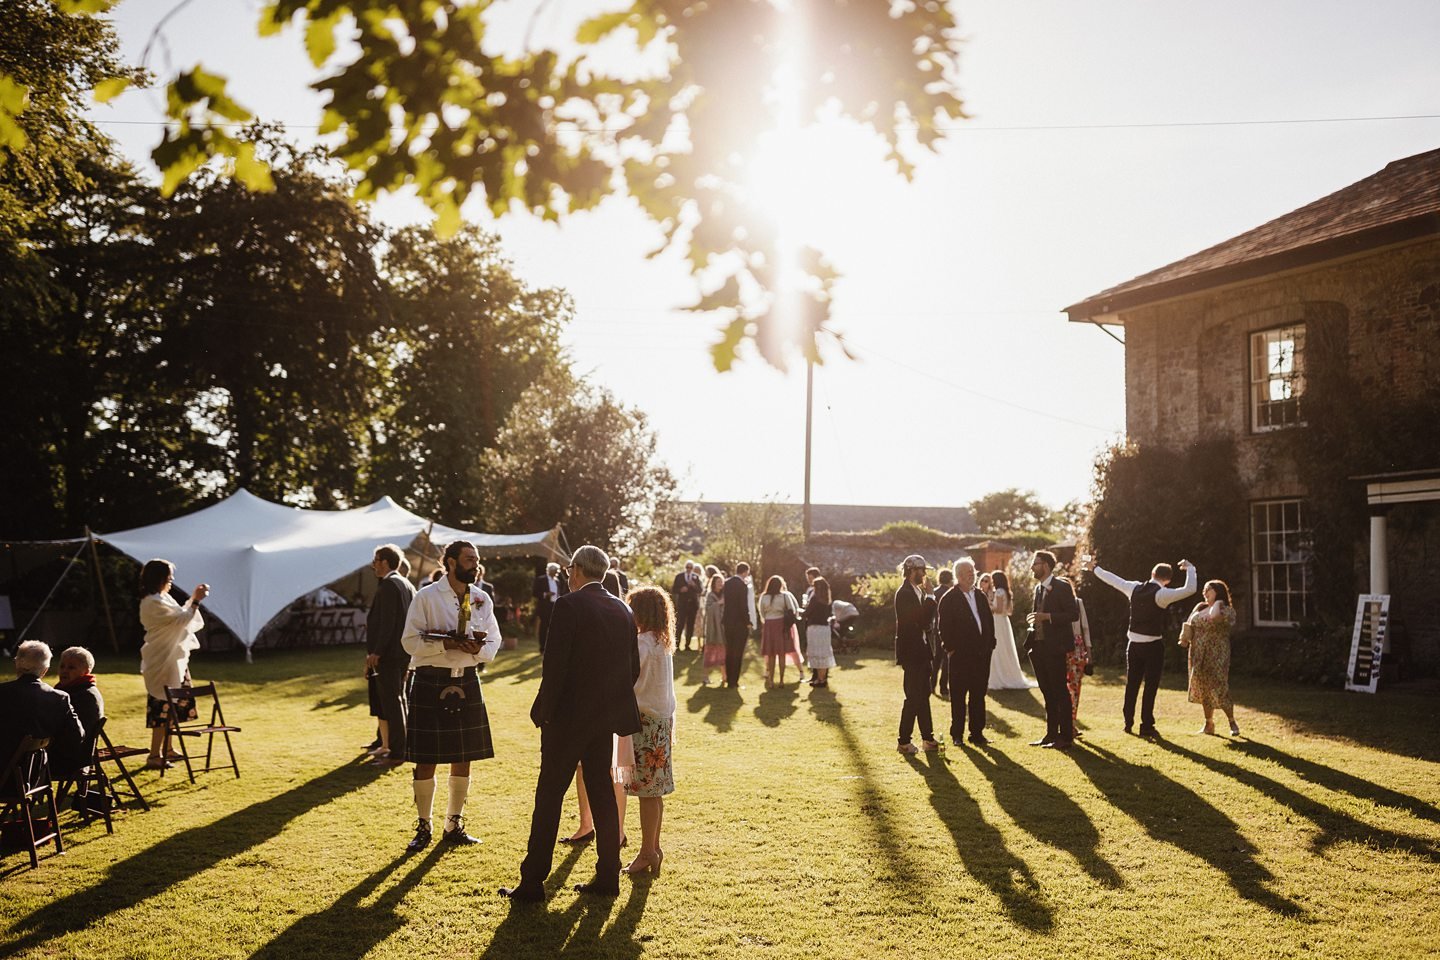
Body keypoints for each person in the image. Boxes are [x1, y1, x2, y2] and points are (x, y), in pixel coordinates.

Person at [500, 545, 642, 902]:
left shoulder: (569, 604)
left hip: (567, 717)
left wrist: (545, 711)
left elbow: (555, 665)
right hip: (604, 717)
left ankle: (532, 881)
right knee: (602, 795)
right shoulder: (623, 608)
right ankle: (608, 875)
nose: (566, 575)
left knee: (549, 795)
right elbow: (632, 668)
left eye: (568, 570)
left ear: (577, 570)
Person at [399, 539, 502, 852]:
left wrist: (478, 649)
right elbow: (409, 642)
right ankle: (423, 825)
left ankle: (453, 824)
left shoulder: (482, 598)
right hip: (431, 680)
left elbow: (494, 640)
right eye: (469, 559)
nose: (476, 564)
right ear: (452, 563)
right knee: (425, 757)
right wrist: (446, 645)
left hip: (467, 679)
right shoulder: (427, 597)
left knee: (464, 755)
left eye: (477, 559)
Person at [1091, 557, 1197, 737]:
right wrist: (1191, 569)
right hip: (1153, 646)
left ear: (1152, 574)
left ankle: (1128, 722)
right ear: (1168, 580)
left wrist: (1094, 568)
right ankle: (1146, 725)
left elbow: (1113, 580)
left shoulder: (1134, 588)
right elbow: (1190, 589)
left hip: (1133, 646)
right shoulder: (1162, 594)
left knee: (1132, 684)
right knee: (1150, 686)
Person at [622, 585, 677, 877]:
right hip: (661, 723)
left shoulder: (642, 643)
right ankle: (653, 848)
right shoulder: (662, 642)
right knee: (653, 793)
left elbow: (628, 681)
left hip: (644, 724)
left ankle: (647, 852)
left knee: (647, 793)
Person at [138, 558, 208, 770]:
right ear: (159, 578)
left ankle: (168, 748)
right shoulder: (151, 602)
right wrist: (195, 600)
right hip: (162, 660)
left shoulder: (163, 598)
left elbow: (181, 617)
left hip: (175, 659)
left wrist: (193, 601)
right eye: (168, 576)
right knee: (162, 705)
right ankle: (154, 755)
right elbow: (181, 620)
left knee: (173, 706)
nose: (171, 580)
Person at [0, 641, 84, 779]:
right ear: (45, 670)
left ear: (17, 664)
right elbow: (77, 735)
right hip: (35, 775)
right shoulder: (59, 698)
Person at [366, 543, 417, 767]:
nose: (373, 566)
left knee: (393, 702)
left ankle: (397, 753)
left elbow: (387, 623)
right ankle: (400, 747)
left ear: (385, 562)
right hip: (404, 652)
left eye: (375, 561)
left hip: (390, 654)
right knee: (400, 700)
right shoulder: (407, 584)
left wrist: (377, 651)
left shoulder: (389, 585)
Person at [937, 559, 996, 746]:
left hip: (982, 654)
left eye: (973, 570)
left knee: (978, 695)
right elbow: (943, 628)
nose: (973, 574)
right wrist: (951, 649)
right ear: (959, 575)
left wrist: (990, 644)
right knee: (958, 696)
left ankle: (977, 733)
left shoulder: (979, 595)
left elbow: (988, 621)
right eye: (968, 571)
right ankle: (957, 735)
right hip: (960, 656)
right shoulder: (949, 598)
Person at [1024, 551, 1079, 749]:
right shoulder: (1038, 588)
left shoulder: (1062, 587)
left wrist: (1047, 617)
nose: (1032, 567)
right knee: (1047, 692)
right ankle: (1050, 734)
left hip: (1056, 647)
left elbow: (1073, 614)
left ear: (1045, 565)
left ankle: (1065, 738)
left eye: (1035, 564)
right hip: (1039, 648)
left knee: (1059, 692)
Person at [895, 555, 940, 754]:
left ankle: (928, 739)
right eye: (922, 570)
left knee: (923, 696)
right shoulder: (905, 593)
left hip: (922, 651)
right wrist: (931, 597)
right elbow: (922, 621)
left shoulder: (916, 591)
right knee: (913, 697)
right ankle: (904, 742)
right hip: (912, 653)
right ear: (912, 570)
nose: (925, 574)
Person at [1183, 579, 1240, 736]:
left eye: (1208, 590)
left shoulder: (1225, 610)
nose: (1204, 592)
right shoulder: (1200, 608)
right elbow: (1188, 623)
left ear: (1218, 592)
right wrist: (1185, 639)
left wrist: (1219, 601)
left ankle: (1232, 721)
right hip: (1198, 653)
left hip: (1217, 653)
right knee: (1203, 688)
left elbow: (1214, 616)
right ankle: (1208, 724)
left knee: (1219, 686)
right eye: (1204, 590)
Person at [54, 646, 104, 775]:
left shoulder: (84, 695)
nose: (64, 671)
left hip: (73, 758)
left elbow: (75, 734)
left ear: (85, 671)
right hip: (72, 752)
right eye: (62, 666)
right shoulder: (70, 689)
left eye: (71, 667)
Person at [987, 570, 1035, 690]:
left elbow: (997, 609)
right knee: (1004, 647)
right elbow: (1009, 611)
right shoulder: (1007, 592)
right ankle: (1007, 673)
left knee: (997, 648)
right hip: (1004, 621)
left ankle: (999, 676)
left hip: (997, 621)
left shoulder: (998, 591)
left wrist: (988, 604)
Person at [757, 575, 802, 688]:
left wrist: (767, 618)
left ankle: (771, 680)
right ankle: (781, 680)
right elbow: (791, 610)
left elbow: (761, 613)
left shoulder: (764, 597)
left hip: (769, 625)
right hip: (781, 625)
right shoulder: (784, 596)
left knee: (771, 654)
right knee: (781, 653)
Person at [720, 562, 757, 689]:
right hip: (739, 623)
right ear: (745, 571)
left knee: (729, 651)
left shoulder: (727, 583)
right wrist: (748, 621)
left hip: (728, 621)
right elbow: (743, 606)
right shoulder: (742, 585)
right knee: (738, 652)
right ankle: (733, 681)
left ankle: (728, 677)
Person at [1066, 594, 1094, 736]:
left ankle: (1071, 724)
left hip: (1077, 649)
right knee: (1060, 688)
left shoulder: (1077, 603)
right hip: (1059, 648)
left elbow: (1085, 628)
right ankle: (1062, 724)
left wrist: (1089, 652)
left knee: (1074, 687)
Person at [802, 576, 836, 688]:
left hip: (815, 627)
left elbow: (807, 613)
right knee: (824, 652)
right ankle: (823, 678)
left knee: (816, 652)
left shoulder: (814, 598)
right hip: (825, 628)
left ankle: (819, 679)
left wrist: (801, 611)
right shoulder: (827, 599)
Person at [930, 568, 955, 699]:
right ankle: (943, 687)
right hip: (948, 629)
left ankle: (931, 685)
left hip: (935, 629)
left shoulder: (934, 592)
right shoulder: (951, 594)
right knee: (946, 660)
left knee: (936, 658)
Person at [701, 573, 727, 684]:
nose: (720, 584)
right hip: (712, 628)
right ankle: (705, 677)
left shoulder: (725, 595)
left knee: (723, 652)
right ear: (714, 584)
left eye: (722, 582)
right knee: (709, 652)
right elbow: (708, 609)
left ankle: (724, 676)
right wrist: (718, 604)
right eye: (718, 582)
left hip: (722, 627)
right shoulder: (711, 595)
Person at [533, 561, 565, 651]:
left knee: (554, 627)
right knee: (543, 627)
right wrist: (545, 594)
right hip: (545, 607)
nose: (556, 572)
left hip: (554, 606)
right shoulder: (541, 579)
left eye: (557, 570)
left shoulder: (557, 581)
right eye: (555, 570)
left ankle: (552, 646)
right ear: (549, 570)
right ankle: (542, 647)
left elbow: (560, 592)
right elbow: (535, 593)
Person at [670, 561, 702, 651]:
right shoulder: (679, 576)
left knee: (690, 625)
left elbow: (700, 590)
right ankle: (676, 644)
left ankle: (687, 645)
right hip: (682, 605)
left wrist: (694, 585)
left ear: (692, 568)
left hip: (692, 605)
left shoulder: (696, 577)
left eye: (690, 567)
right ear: (685, 567)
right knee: (680, 624)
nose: (689, 569)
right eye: (687, 567)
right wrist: (680, 590)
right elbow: (674, 589)